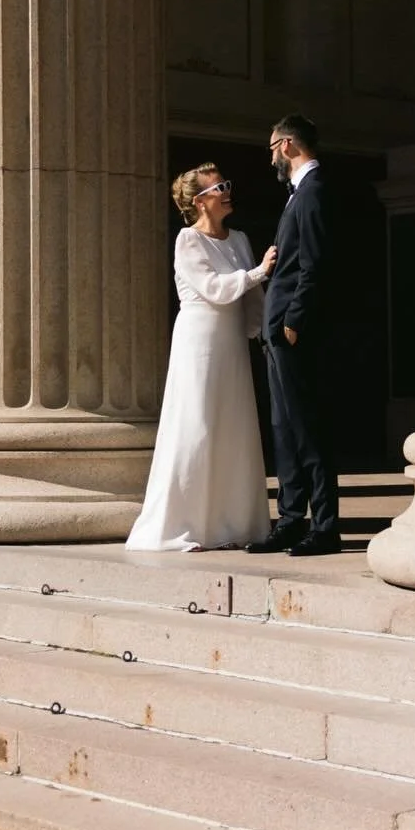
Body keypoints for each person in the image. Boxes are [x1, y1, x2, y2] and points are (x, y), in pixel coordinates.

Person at [126, 164, 277, 552]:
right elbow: (213, 288)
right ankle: (184, 524)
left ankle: (233, 524)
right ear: (199, 201)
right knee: (197, 424)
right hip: (200, 342)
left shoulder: (239, 238)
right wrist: (259, 271)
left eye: (227, 184)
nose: (227, 191)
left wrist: (259, 330)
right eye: (218, 187)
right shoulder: (187, 240)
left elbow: (250, 300)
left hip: (231, 343)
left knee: (233, 425)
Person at [246, 114, 341, 557]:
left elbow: (316, 265)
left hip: (293, 331)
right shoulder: (298, 194)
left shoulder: (316, 190)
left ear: (286, 145)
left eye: (270, 149)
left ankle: (324, 526)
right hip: (278, 331)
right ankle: (290, 518)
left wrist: (293, 320)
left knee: (307, 427)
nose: (269, 159)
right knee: (284, 426)